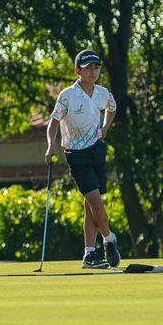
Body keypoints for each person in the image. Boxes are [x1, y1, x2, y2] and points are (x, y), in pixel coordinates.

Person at [45, 49, 120, 268]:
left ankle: (89, 254)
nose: (93, 72)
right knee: (96, 202)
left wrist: (105, 127)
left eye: (96, 67)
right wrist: (50, 146)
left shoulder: (102, 93)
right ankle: (109, 239)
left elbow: (112, 109)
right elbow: (53, 122)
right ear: (77, 71)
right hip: (76, 155)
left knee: (90, 206)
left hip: (96, 151)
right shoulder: (67, 95)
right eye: (88, 68)